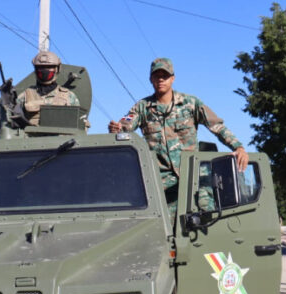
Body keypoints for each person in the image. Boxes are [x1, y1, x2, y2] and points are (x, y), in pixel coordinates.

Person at [108, 57, 248, 217]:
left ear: (172, 79)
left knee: (206, 220)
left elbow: (217, 126)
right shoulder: (142, 108)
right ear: (150, 79)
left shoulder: (190, 103)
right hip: (162, 183)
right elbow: (125, 127)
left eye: (165, 76)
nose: (161, 80)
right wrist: (117, 129)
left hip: (194, 178)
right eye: (156, 76)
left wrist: (238, 147)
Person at [16, 51, 80, 126]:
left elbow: (79, 126)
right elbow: (12, 121)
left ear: (57, 69)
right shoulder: (25, 96)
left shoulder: (69, 97)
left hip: (61, 138)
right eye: (40, 68)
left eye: (49, 67)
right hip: (32, 137)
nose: (45, 70)